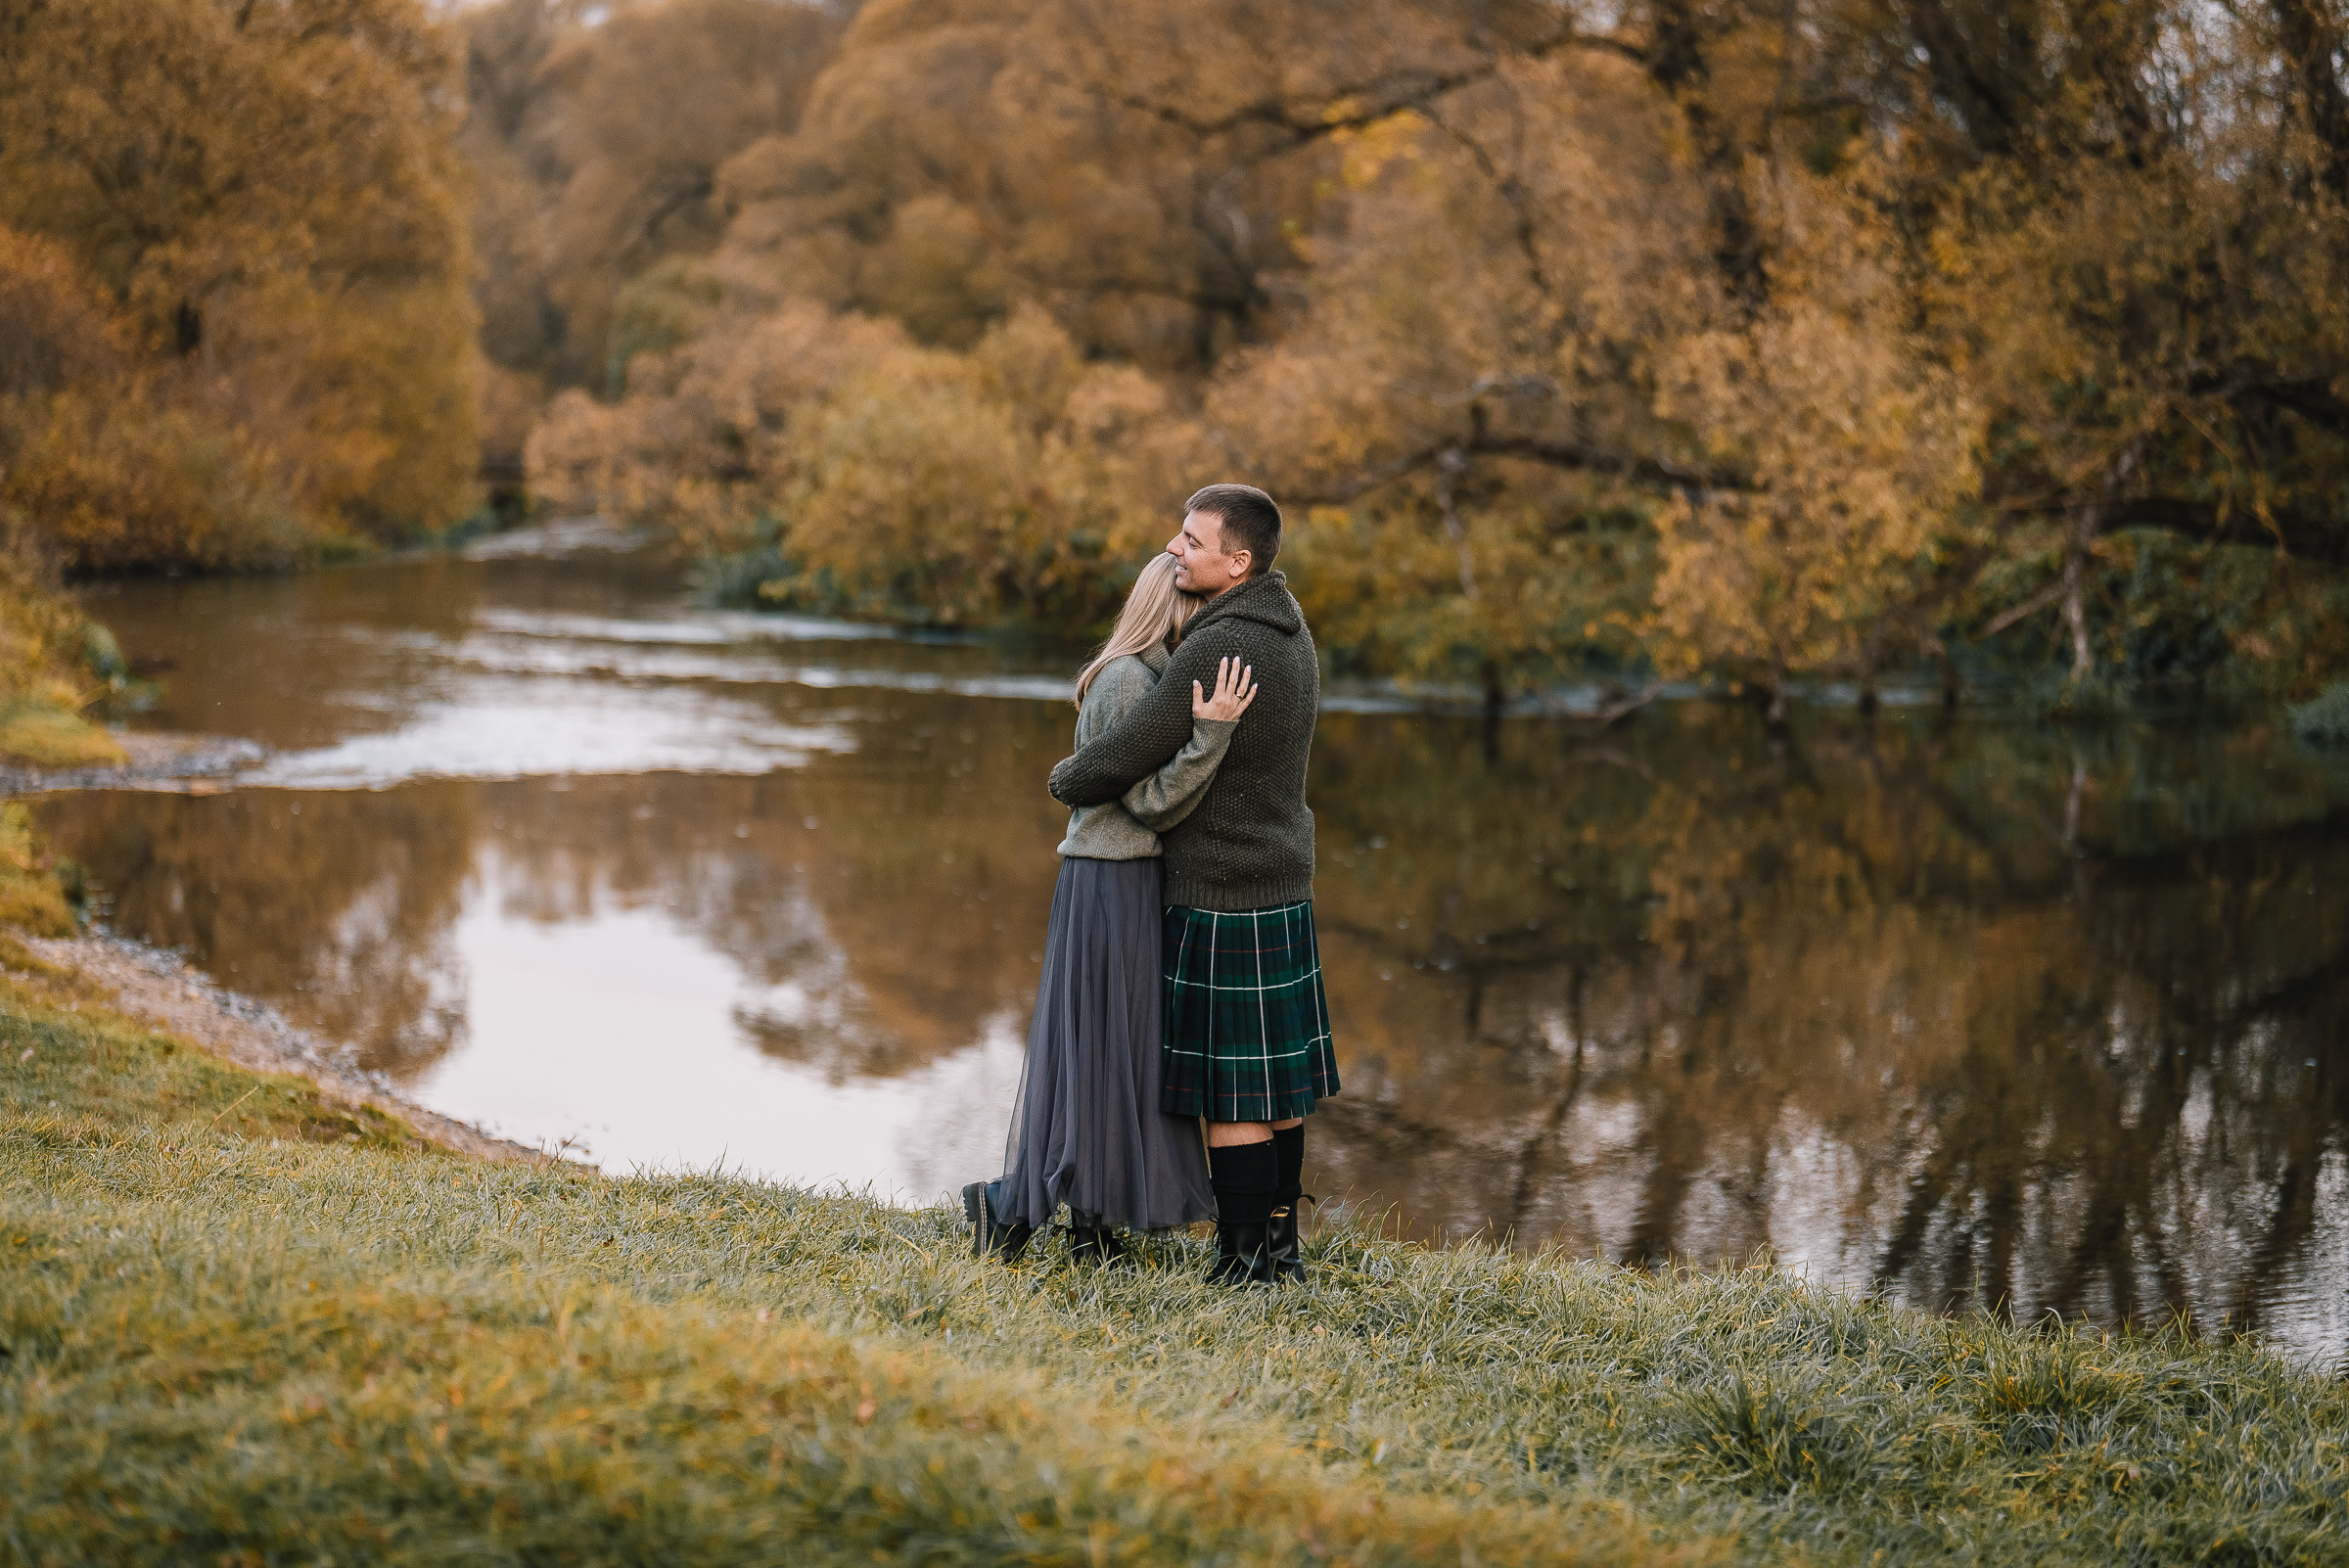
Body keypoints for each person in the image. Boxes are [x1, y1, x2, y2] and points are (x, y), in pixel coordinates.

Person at [1047, 483, 1335, 1285]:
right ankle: (1281, 1254)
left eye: (1192, 541)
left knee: (1233, 1091)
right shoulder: (1293, 629)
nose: (1175, 549)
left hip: (1219, 889)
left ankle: (1242, 1266)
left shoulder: (1216, 647)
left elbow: (1114, 762)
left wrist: (1065, 772)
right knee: (1279, 1086)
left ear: (1237, 561)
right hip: (1281, 876)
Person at [963, 553, 1261, 1264]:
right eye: (1197, 609)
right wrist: (1211, 734)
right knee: (1101, 1050)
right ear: (1174, 610)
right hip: (1108, 882)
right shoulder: (1129, 682)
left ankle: (1089, 1225)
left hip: (1128, 882)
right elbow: (1148, 803)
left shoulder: (1152, 678)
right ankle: (1005, 1205)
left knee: (1117, 1053)